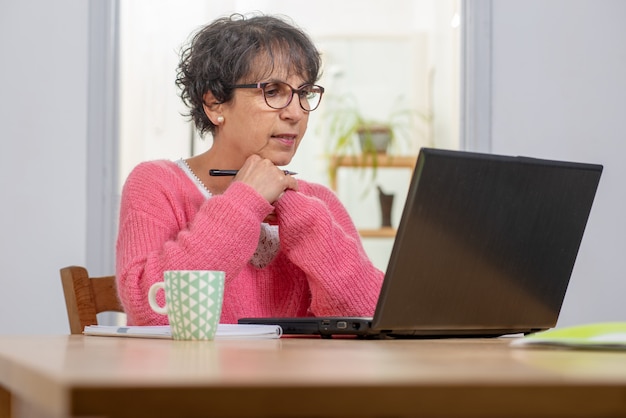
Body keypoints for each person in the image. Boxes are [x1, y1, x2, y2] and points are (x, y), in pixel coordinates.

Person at [116, 13, 384, 326]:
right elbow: (153, 313)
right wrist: (244, 202)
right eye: (272, 91)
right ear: (215, 103)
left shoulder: (317, 202)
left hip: (301, 377)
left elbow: (374, 321)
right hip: (195, 375)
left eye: (305, 93)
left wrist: (307, 222)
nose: (296, 113)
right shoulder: (156, 184)